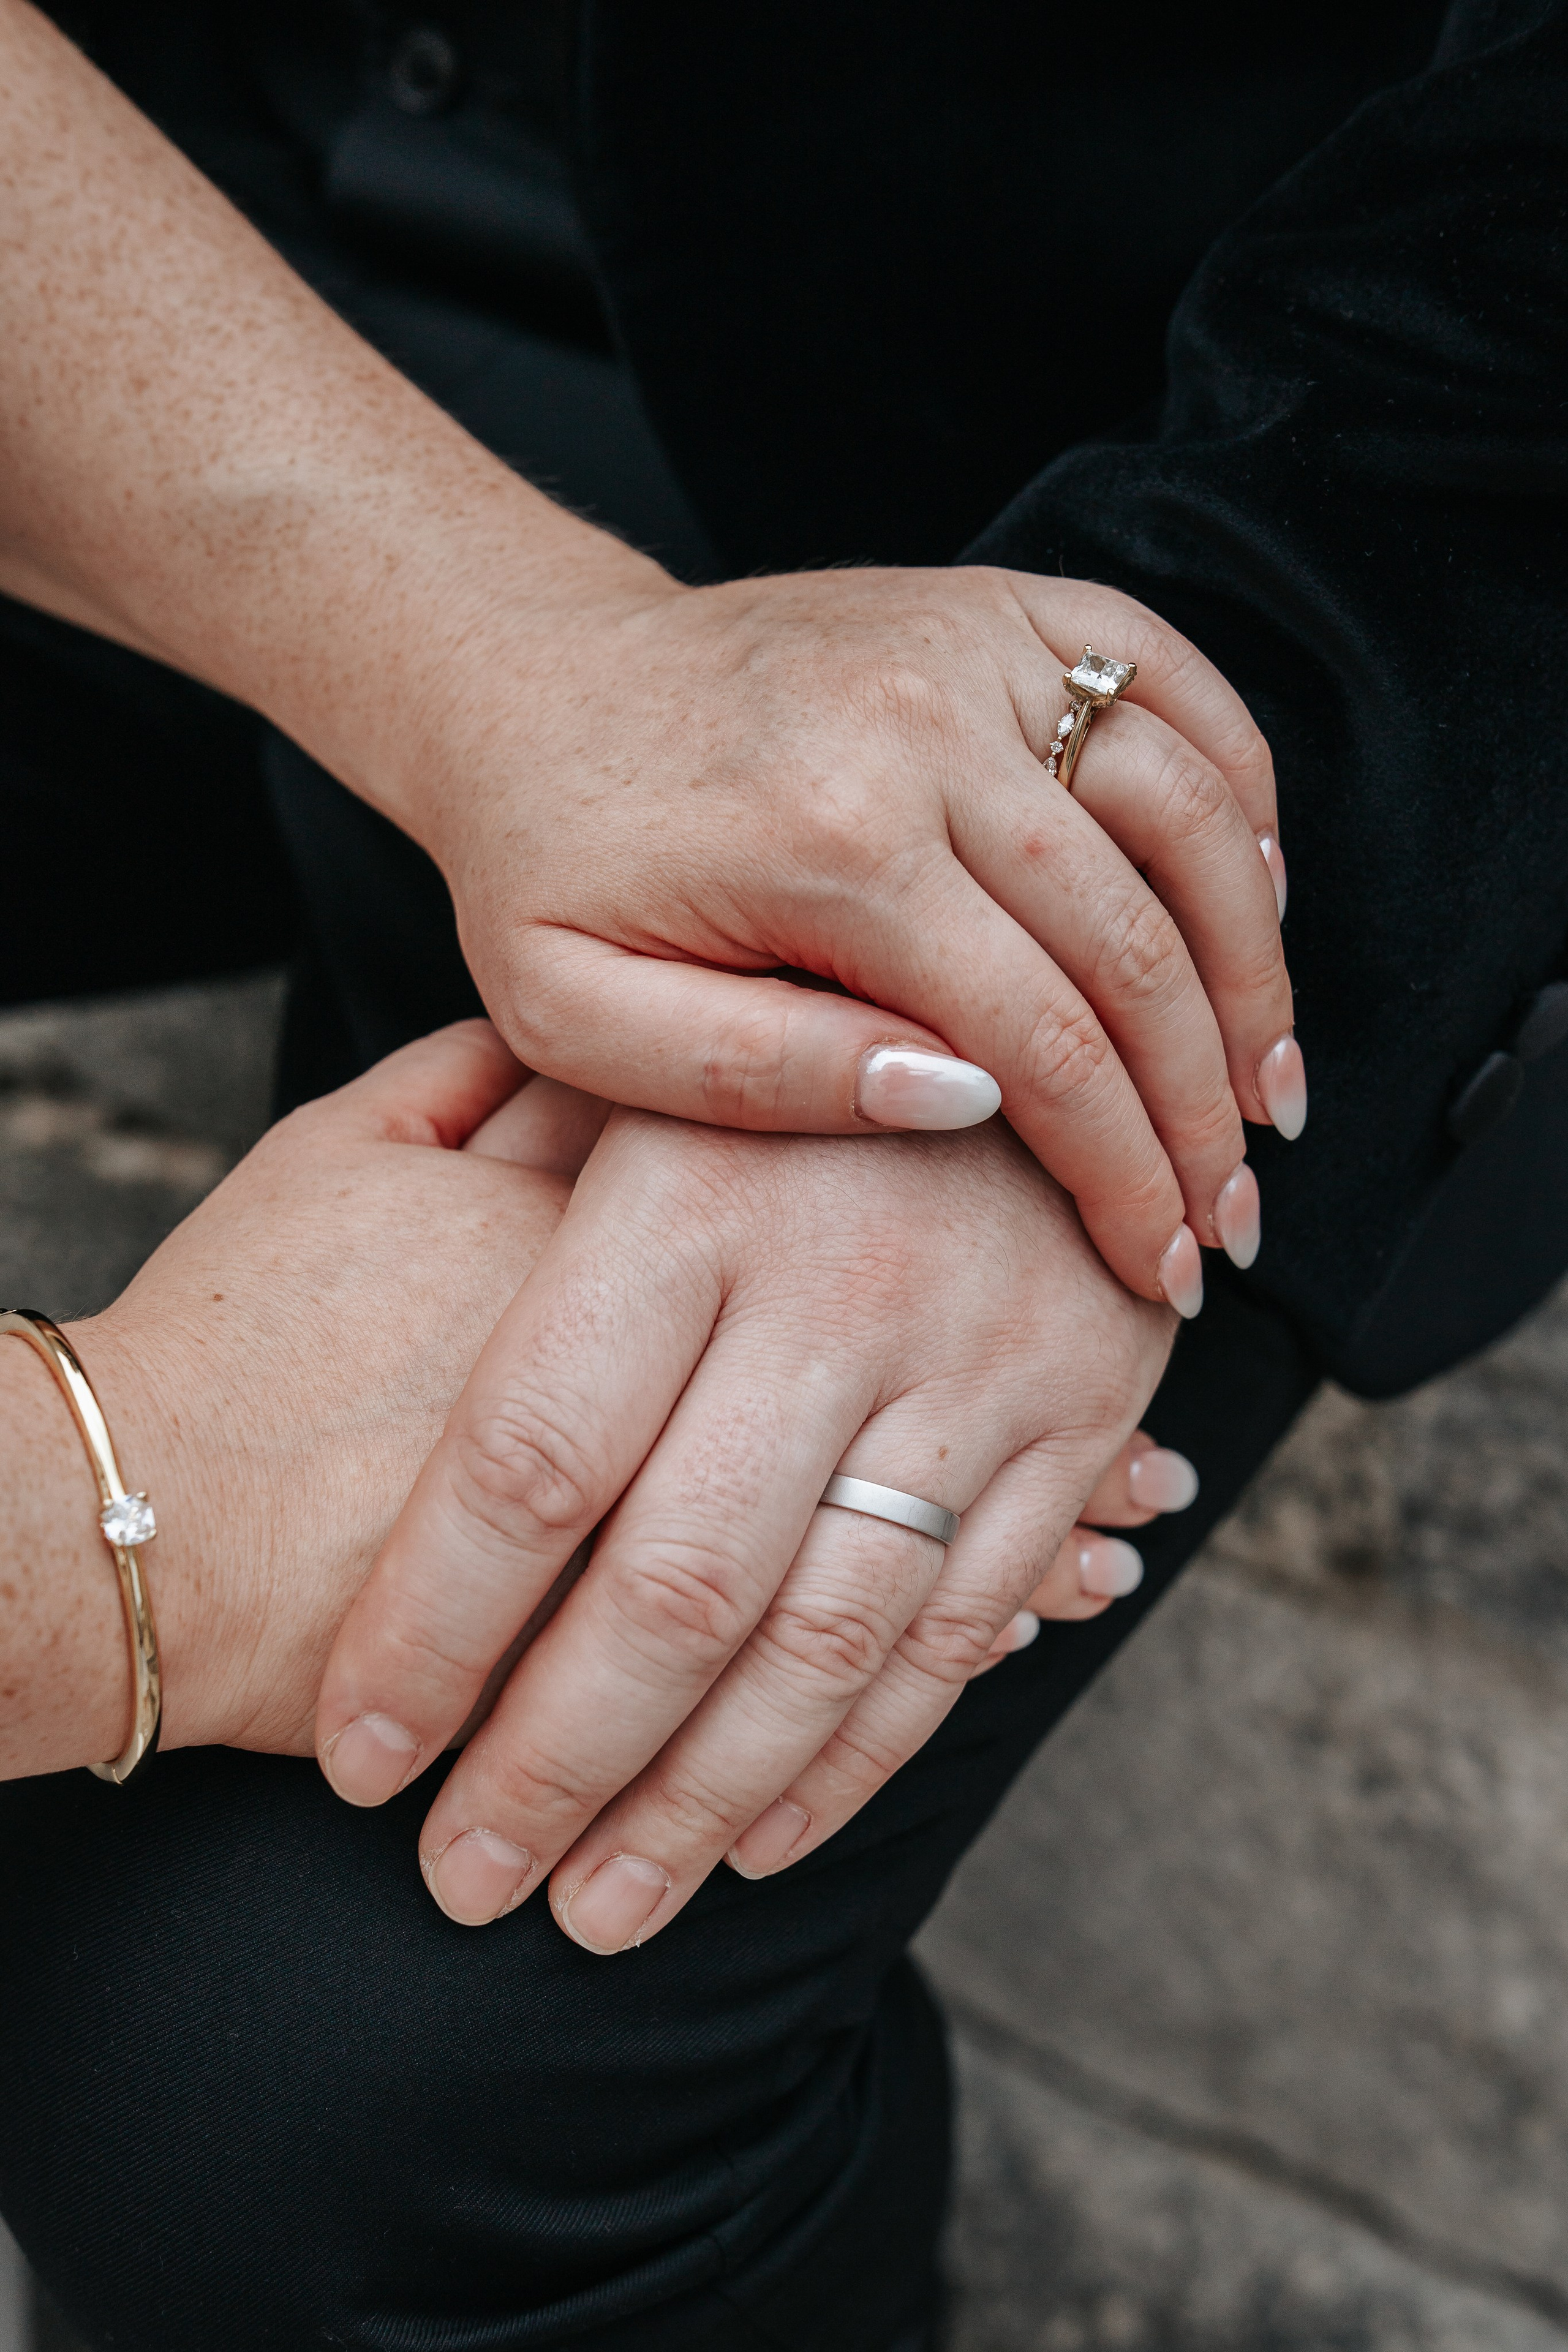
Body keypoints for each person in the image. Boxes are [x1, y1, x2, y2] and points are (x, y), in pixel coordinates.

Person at [1, 3, 1565, 2348]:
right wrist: (128, 1517)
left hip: (1157, 381)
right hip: (180, 177)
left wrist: (533, 663)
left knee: (299, 2074)